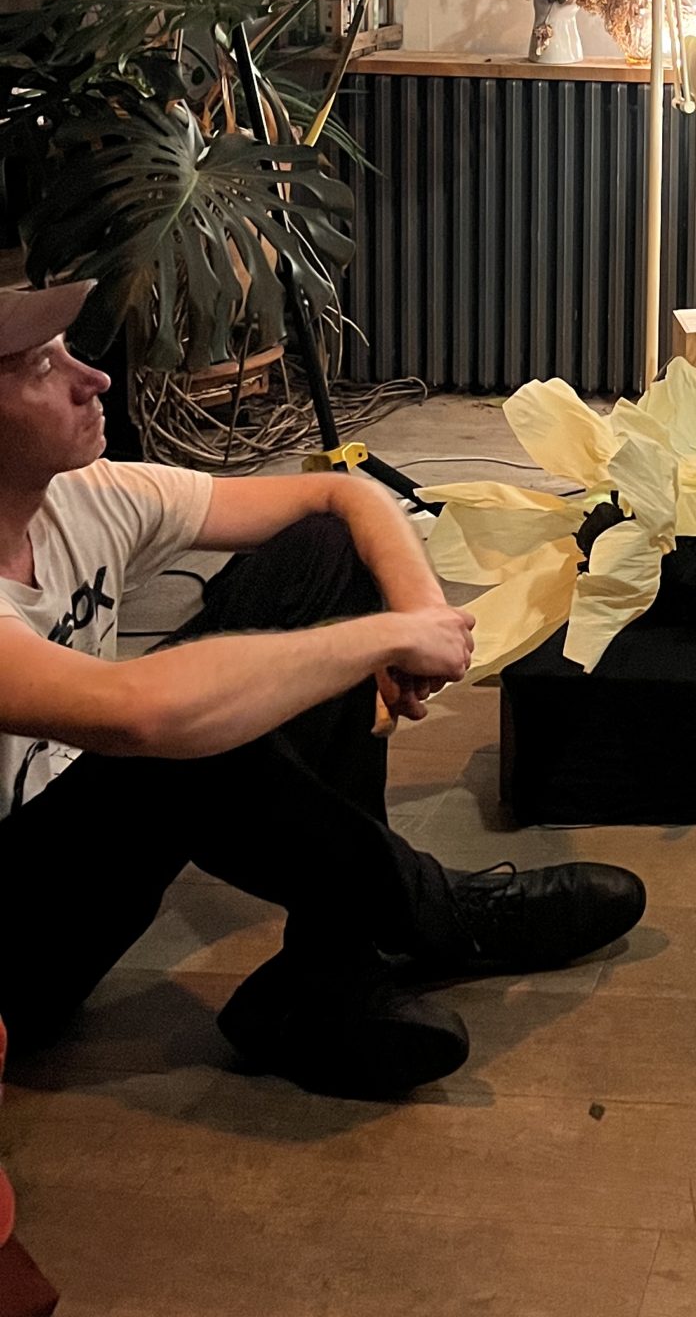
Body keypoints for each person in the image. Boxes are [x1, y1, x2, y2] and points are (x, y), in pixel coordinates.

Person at [0, 280, 644, 1099]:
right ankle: (430, 914)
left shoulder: (85, 498)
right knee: (180, 727)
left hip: (88, 863)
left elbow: (343, 493)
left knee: (322, 552)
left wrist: (419, 613)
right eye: (38, 370)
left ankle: (332, 976)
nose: (93, 379)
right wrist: (374, 641)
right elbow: (144, 714)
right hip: (16, 965)